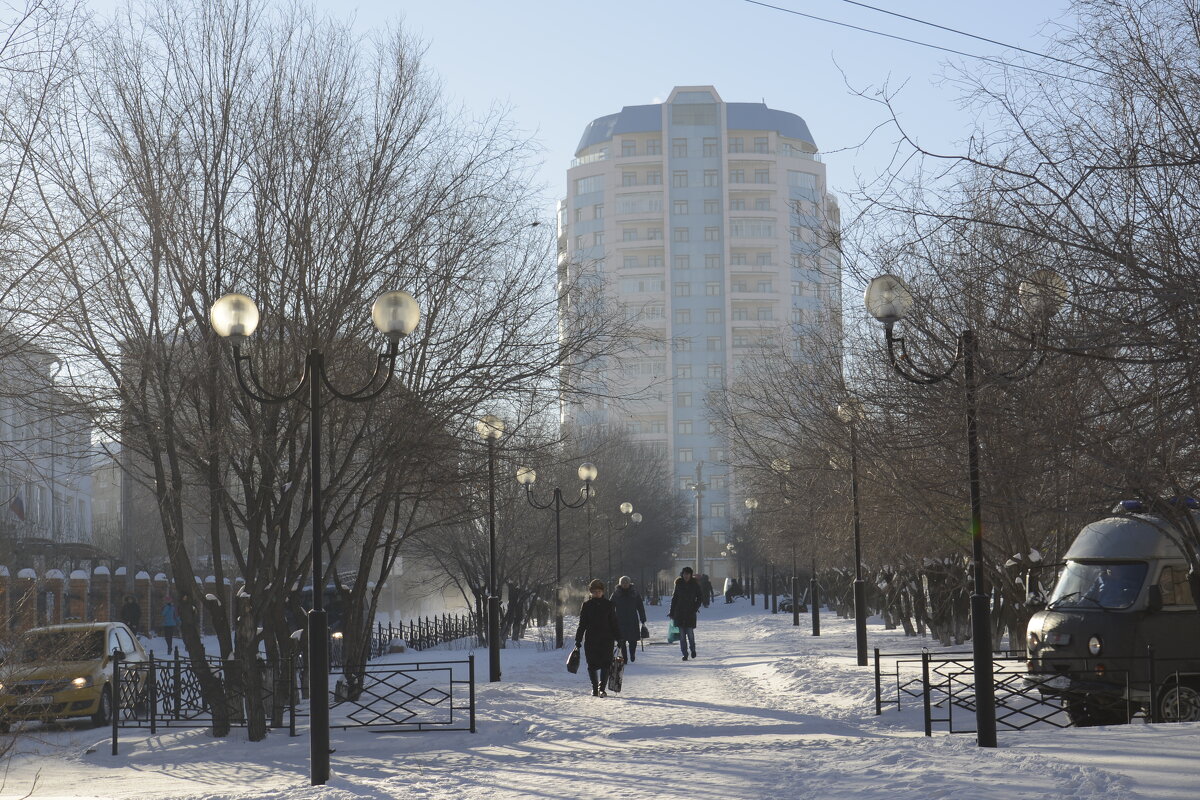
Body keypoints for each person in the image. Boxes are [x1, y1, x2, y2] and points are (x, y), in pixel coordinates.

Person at [575, 579, 620, 696]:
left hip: (606, 639)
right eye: (594, 591)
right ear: (591, 592)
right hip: (591, 639)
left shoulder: (609, 605)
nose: (597, 593)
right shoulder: (586, 606)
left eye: (599, 591)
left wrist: (619, 638)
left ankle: (602, 688)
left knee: (606, 663)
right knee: (592, 664)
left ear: (603, 592)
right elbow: (582, 624)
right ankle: (594, 687)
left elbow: (614, 622)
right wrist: (578, 640)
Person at [668, 567, 704, 661]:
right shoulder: (678, 584)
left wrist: (695, 608)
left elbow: (700, 597)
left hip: (690, 613)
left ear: (690, 575)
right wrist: (671, 612)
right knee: (682, 637)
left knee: (690, 634)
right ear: (682, 574)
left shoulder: (694, 584)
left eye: (688, 574)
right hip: (679, 613)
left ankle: (693, 650)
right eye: (684, 574)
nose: (686, 576)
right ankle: (684, 654)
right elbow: (674, 599)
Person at [610, 576, 647, 664]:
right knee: (622, 640)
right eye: (623, 583)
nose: (625, 584)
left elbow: (640, 607)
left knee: (633, 640)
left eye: (626, 582)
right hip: (620, 620)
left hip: (632, 619)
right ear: (620, 583)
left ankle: (632, 654)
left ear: (629, 583)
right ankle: (625, 657)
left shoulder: (635, 593)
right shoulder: (616, 594)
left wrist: (643, 619)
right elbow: (610, 606)